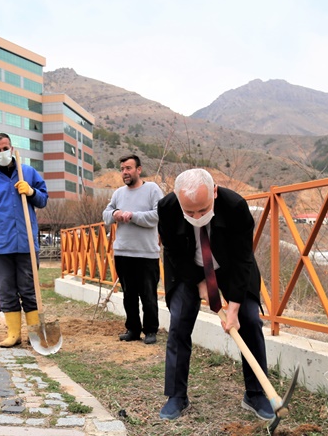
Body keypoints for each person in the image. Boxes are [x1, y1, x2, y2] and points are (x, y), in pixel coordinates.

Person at [156, 168, 273, 421]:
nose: (197, 216)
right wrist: (200, 283)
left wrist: (233, 308)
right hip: (187, 268)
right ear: (177, 199)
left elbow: (244, 259)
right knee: (179, 322)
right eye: (190, 212)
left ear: (215, 192)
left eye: (203, 209)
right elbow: (174, 253)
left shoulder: (236, 207)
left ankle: (255, 393)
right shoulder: (166, 208)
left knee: (250, 320)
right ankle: (177, 395)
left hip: (230, 268)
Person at [0, 133, 48, 348]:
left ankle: (35, 334)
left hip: (25, 244)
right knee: (5, 290)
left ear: (12, 148)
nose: (2, 152)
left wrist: (32, 191)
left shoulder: (29, 173)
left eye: (5, 148)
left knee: (29, 290)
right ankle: (13, 334)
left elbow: (43, 200)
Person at [102, 155, 163, 344]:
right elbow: (106, 214)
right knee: (129, 296)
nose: (125, 172)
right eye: (122, 169)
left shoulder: (152, 189)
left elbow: (158, 215)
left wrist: (133, 216)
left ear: (139, 170)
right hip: (123, 252)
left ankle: (151, 330)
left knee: (148, 295)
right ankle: (133, 330)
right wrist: (115, 213)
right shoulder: (119, 193)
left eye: (128, 168)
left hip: (146, 253)